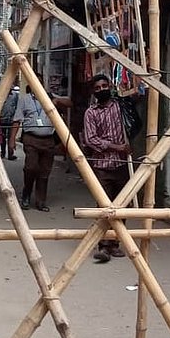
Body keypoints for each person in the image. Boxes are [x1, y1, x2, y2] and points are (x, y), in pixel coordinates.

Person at [82, 74, 132, 263]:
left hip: (122, 165)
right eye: (97, 88)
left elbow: (131, 125)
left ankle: (115, 243)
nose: (102, 89)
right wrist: (116, 147)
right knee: (104, 206)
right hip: (102, 166)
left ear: (110, 86)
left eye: (105, 86)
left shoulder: (120, 107)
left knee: (121, 206)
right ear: (93, 92)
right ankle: (103, 245)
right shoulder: (91, 113)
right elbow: (91, 139)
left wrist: (125, 146)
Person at [14, 88, 71, 211]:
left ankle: (41, 201)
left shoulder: (49, 96)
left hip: (48, 140)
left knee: (44, 172)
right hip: (31, 138)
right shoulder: (25, 100)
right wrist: (11, 140)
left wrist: (56, 101)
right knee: (31, 168)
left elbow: (69, 103)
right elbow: (17, 119)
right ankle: (26, 194)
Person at [1, 85, 20, 160]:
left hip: (11, 119)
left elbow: (16, 106)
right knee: (2, 138)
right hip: (2, 119)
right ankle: (2, 153)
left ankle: (10, 154)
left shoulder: (15, 96)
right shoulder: (1, 96)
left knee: (10, 137)